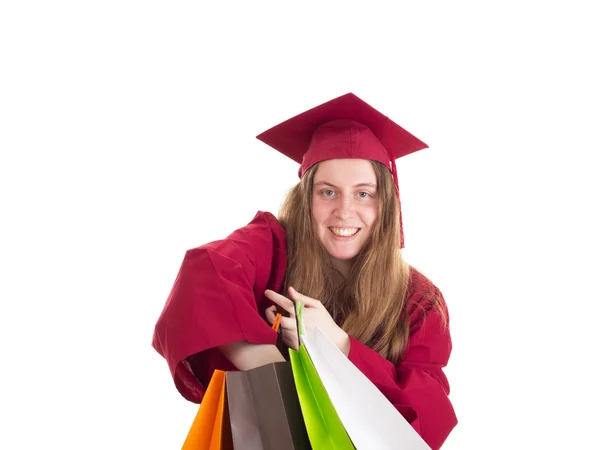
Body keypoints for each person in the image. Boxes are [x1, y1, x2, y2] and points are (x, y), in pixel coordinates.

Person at [152, 93, 458, 449]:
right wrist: (266, 361)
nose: (344, 211)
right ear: (306, 197)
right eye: (328, 192)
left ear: (387, 204)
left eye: (363, 194)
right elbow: (204, 273)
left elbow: (429, 418)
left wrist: (336, 344)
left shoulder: (418, 300)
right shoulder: (273, 246)